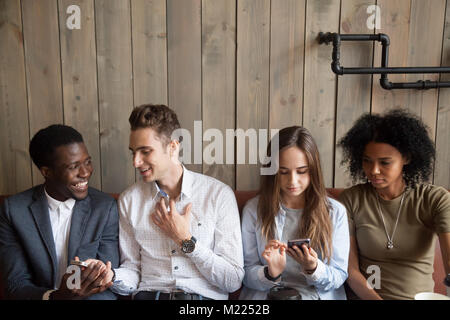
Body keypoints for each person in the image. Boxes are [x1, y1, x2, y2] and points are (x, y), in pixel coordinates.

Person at [108, 104, 244, 300]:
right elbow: (132, 270)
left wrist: (185, 240)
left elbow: (232, 280)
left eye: (145, 152)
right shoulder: (129, 200)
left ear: (172, 147)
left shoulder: (218, 195)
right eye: (133, 152)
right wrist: (112, 276)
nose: (135, 162)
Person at [338, 109, 450, 300]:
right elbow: (350, 270)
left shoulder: (434, 199)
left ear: (406, 158)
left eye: (385, 162)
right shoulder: (351, 200)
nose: (373, 171)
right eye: (367, 161)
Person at [0, 125, 119, 300]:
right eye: (73, 166)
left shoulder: (104, 207)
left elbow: (106, 282)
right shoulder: (14, 211)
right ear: (47, 172)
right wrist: (57, 297)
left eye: (87, 162)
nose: (86, 173)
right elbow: (16, 285)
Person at [239, 126, 349, 300]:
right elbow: (245, 273)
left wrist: (314, 268)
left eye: (302, 171)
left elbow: (339, 276)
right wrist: (270, 273)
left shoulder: (335, 212)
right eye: (283, 172)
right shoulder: (254, 210)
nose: (292, 181)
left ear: (313, 171)